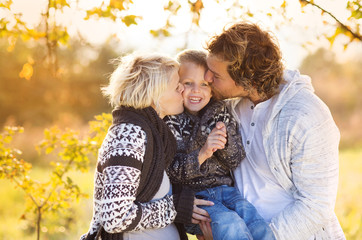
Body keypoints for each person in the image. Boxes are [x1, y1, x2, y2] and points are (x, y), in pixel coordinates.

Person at [196, 22, 345, 240]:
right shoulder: (228, 108)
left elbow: (316, 205)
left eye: (216, 75)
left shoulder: (307, 115)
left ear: (245, 79)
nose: (207, 78)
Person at [80, 53, 213, 240]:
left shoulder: (154, 134)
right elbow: (115, 217)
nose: (183, 90)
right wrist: (175, 207)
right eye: (177, 86)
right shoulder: (128, 134)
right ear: (154, 93)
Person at [164, 49, 275, 240]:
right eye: (188, 83)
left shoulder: (219, 112)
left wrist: (224, 140)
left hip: (227, 192)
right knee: (231, 225)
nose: (196, 90)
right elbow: (173, 171)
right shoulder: (172, 120)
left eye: (204, 85)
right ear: (177, 86)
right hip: (197, 199)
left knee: (256, 223)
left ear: (212, 88)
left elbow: (235, 159)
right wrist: (203, 152)